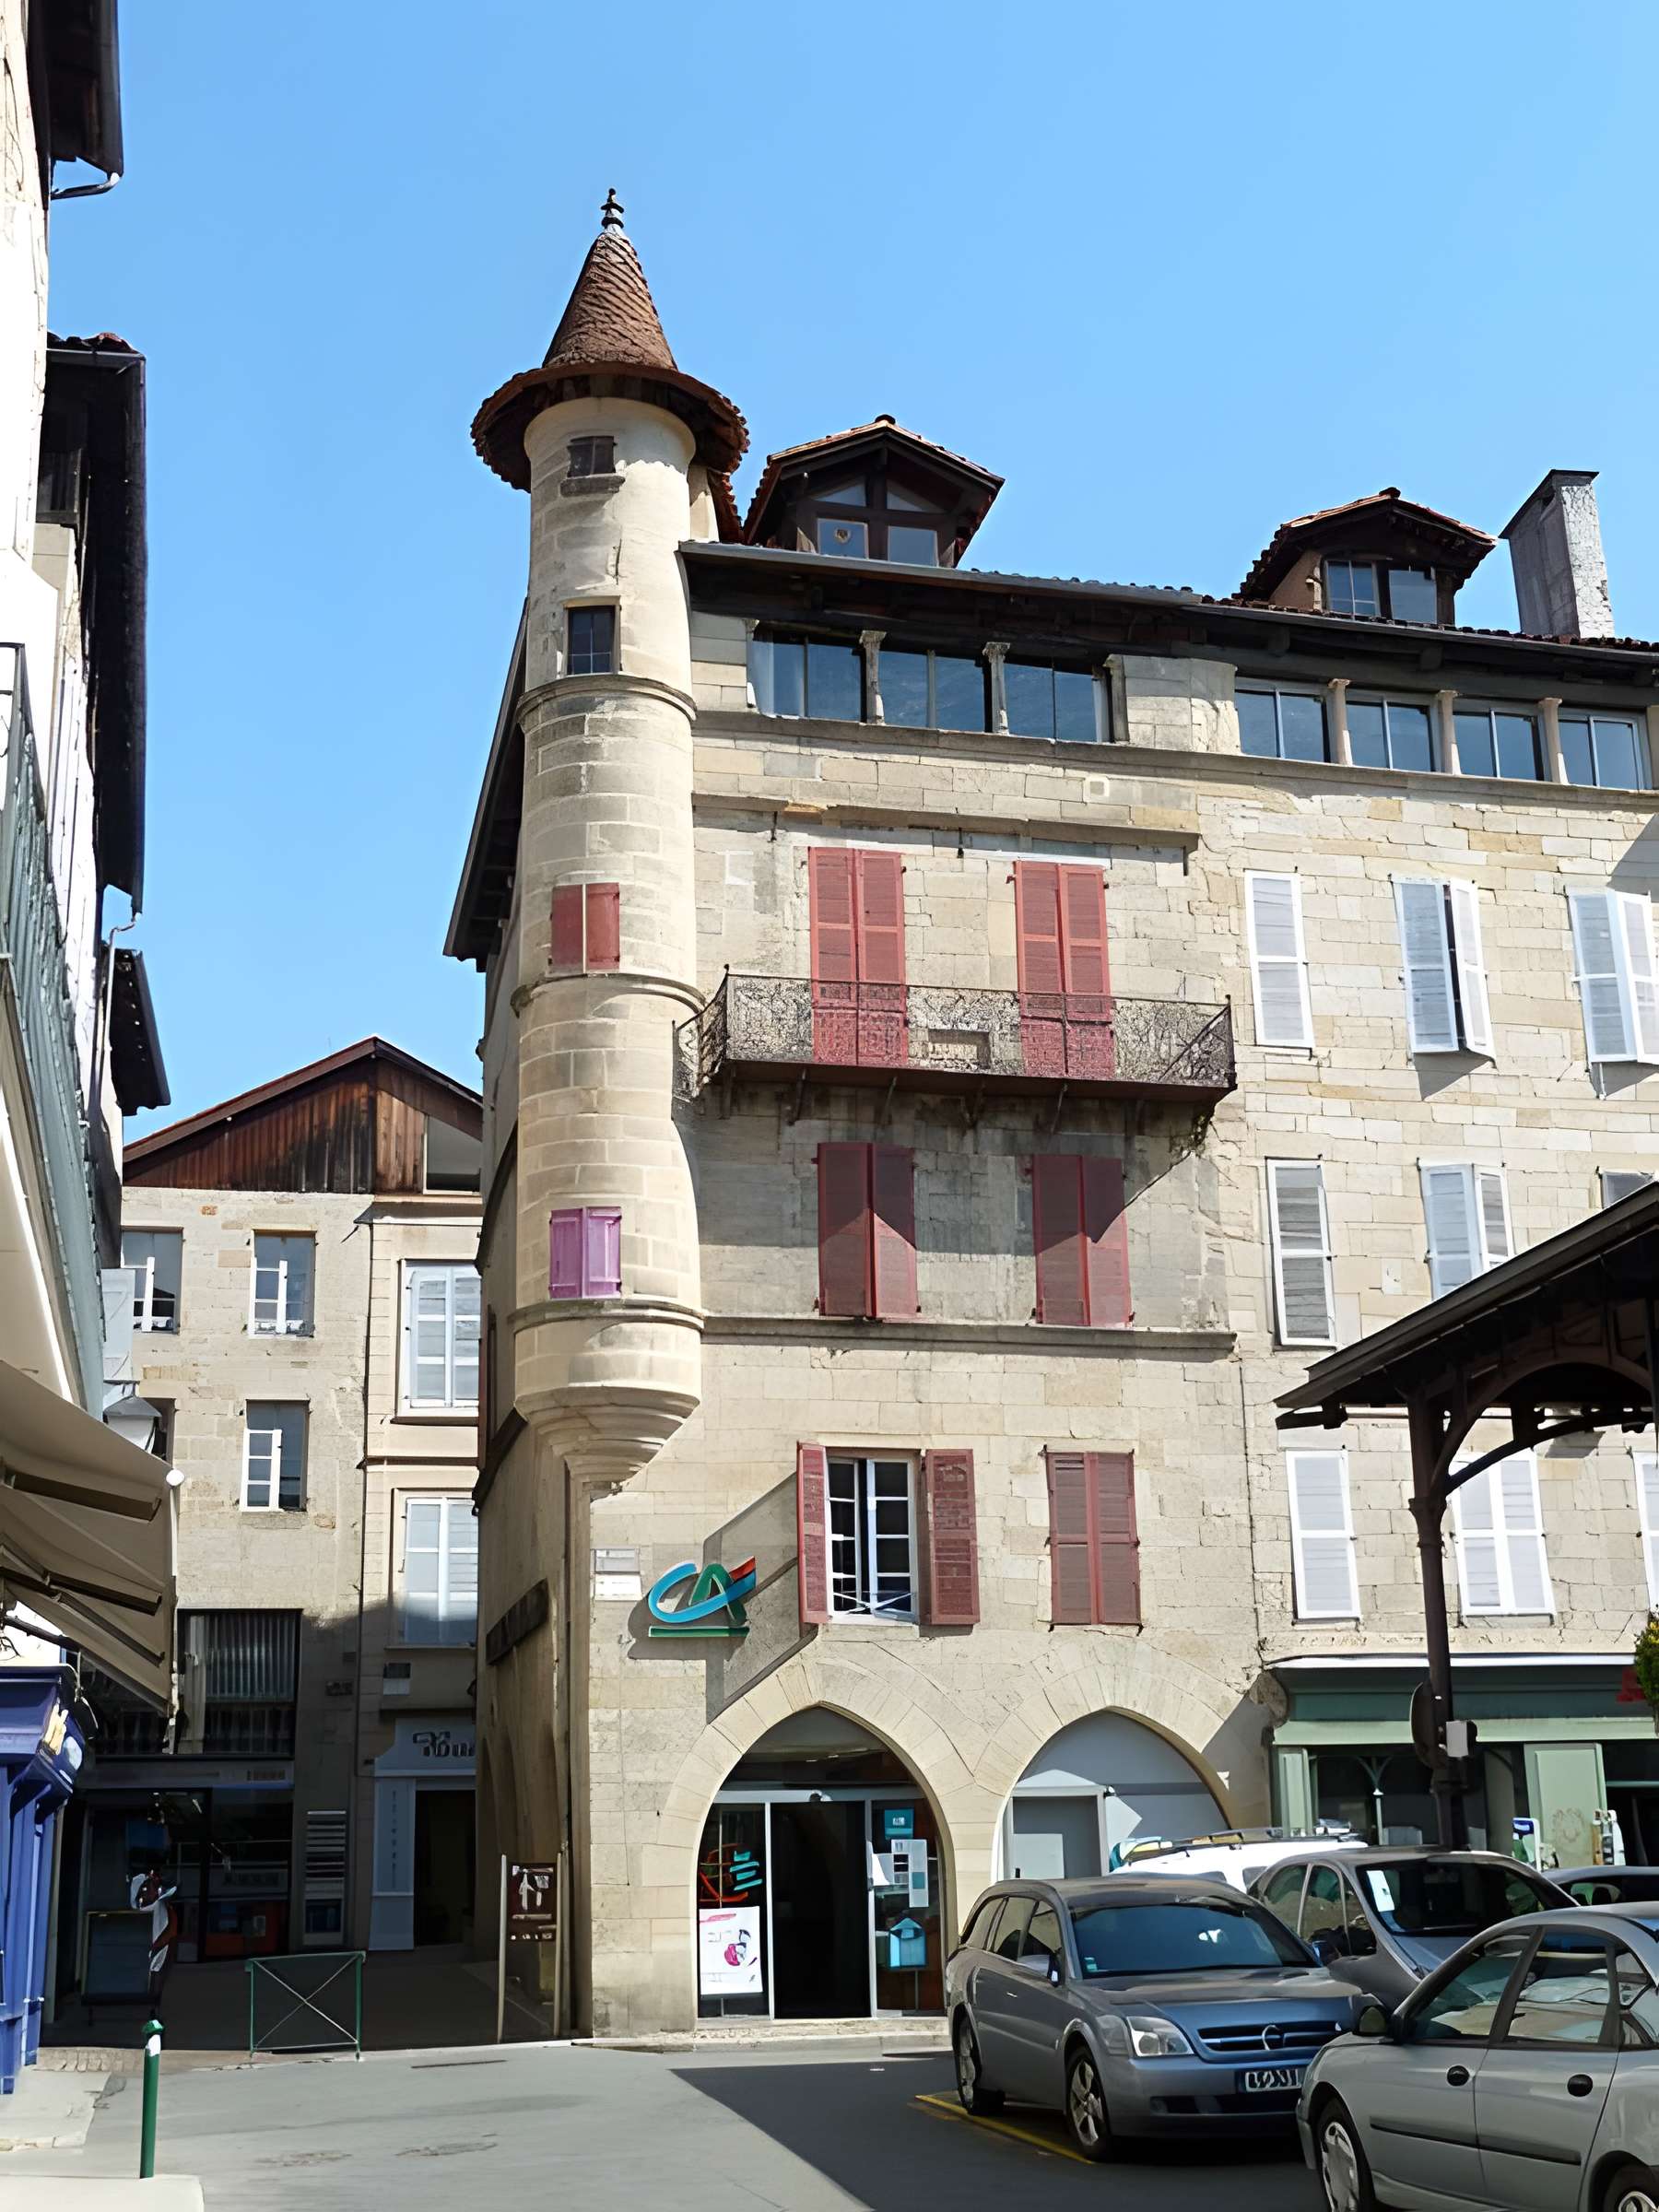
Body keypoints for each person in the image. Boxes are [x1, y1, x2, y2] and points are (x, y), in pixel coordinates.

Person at [129, 1865, 179, 1995]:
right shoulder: (140, 1910)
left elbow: (169, 1935)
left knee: (156, 1977)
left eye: (148, 1887)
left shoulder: (163, 1909)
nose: (144, 1892)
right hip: (145, 1956)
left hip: (157, 1953)